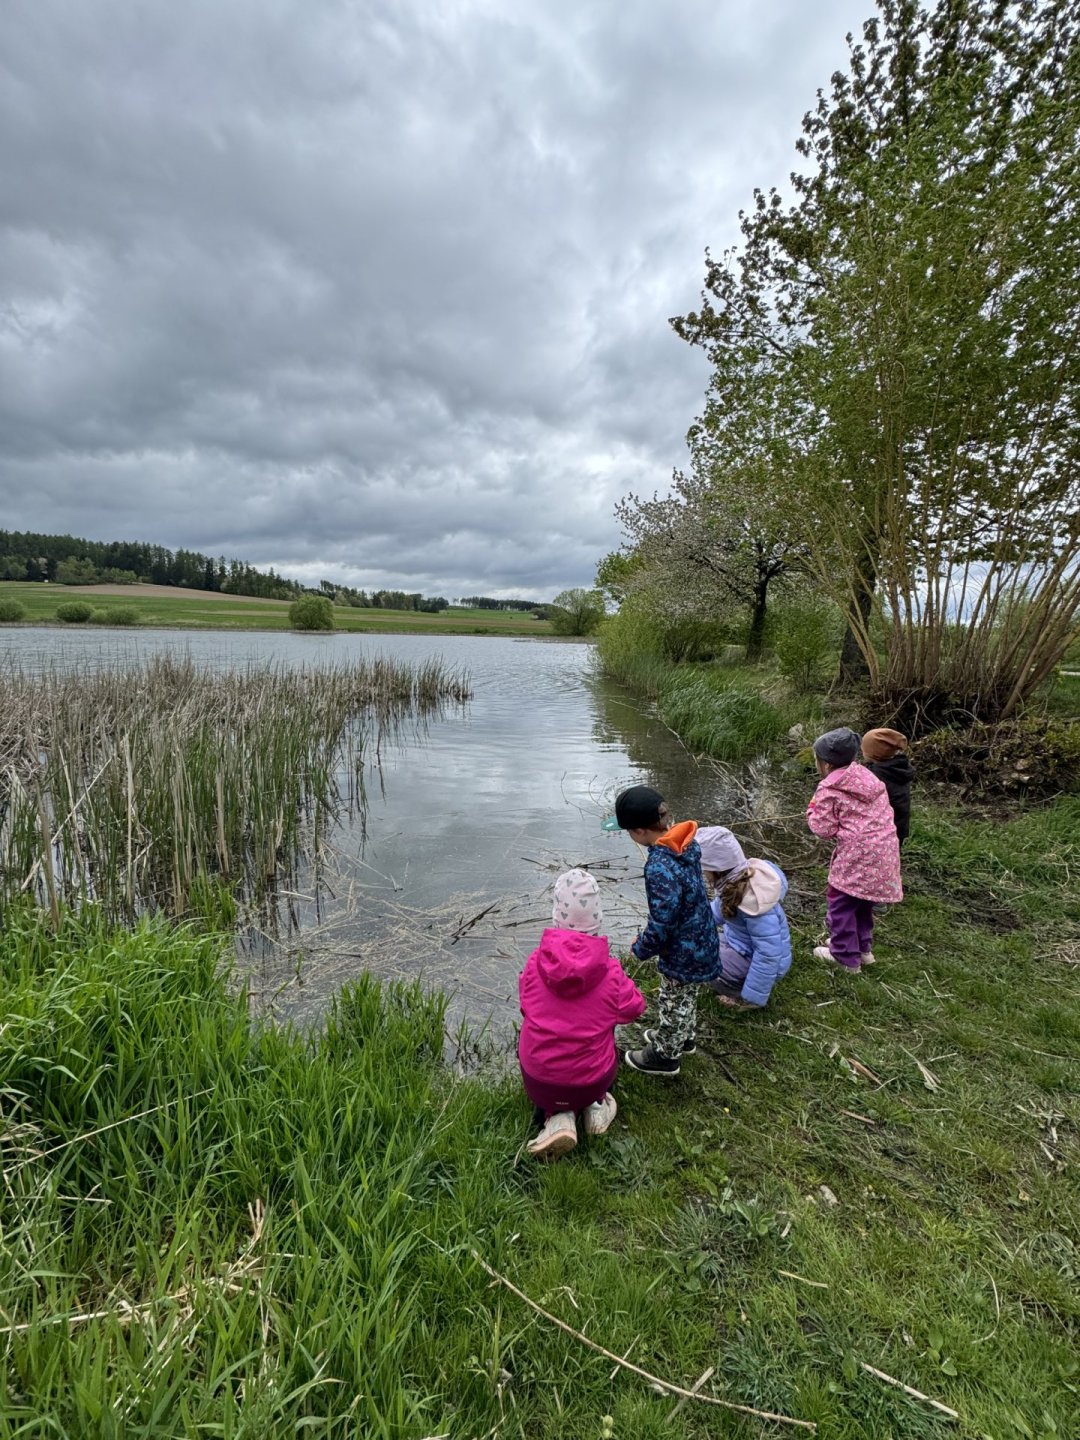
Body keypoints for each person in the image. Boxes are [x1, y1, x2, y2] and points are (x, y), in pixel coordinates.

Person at [518, 868, 645, 1159]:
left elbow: (526, 1005)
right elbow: (635, 1008)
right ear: (597, 921)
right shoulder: (611, 972)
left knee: (539, 1033)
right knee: (603, 1030)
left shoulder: (535, 962)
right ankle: (595, 1107)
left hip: (539, 1080)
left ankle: (557, 1117)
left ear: (556, 917)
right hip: (591, 1081)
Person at [613, 785, 719, 1076]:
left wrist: (641, 948)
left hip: (682, 950)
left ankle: (664, 1055)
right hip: (703, 938)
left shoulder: (659, 866)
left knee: (673, 1001)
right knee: (687, 995)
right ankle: (684, 1037)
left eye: (629, 831)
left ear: (639, 831)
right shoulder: (685, 844)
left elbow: (663, 921)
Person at [807, 727, 902, 972]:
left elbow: (823, 829)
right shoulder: (868, 777)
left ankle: (845, 956)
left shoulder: (829, 787)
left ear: (826, 764)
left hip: (856, 856)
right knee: (862, 903)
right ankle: (862, 949)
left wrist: (812, 809)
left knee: (841, 904)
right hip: (885, 852)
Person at [696, 825, 792, 1009]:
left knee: (700, 959)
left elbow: (768, 954)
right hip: (742, 946)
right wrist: (688, 925)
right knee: (696, 943)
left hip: (763, 961)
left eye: (704, 868)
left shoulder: (753, 904)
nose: (703, 873)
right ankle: (734, 977)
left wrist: (752, 997)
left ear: (716, 869)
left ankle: (737, 992)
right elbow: (715, 911)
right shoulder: (734, 882)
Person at [861, 727, 914, 848]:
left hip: (881, 831)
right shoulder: (898, 768)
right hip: (899, 827)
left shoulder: (876, 775)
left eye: (864, 749)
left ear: (874, 754)